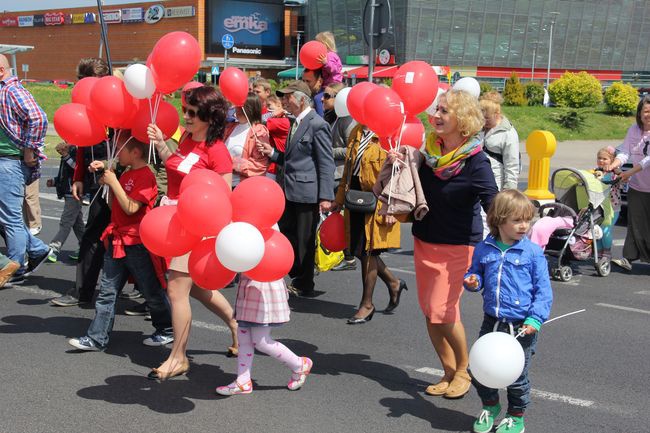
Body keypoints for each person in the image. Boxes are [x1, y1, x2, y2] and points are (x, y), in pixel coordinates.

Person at [390, 89, 497, 399]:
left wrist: (507, 231)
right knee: (429, 311)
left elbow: (492, 202)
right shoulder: (429, 153)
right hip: (425, 240)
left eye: (444, 112)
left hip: (458, 246)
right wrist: (400, 164)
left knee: (443, 310)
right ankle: (448, 371)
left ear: (462, 121)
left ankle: (464, 370)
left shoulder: (477, 162)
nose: (435, 115)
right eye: (436, 109)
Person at [146, 86, 238, 380]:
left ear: (210, 118)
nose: (185, 116)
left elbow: (223, 196)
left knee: (176, 289)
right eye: (186, 110)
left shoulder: (218, 152)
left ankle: (178, 357)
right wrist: (162, 143)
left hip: (196, 226)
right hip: (174, 221)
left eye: (192, 113)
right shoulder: (186, 139)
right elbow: (176, 166)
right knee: (196, 288)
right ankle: (237, 325)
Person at [67, 135, 173, 351]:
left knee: (151, 290)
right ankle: (97, 338)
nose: (115, 155)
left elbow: (132, 208)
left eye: (120, 150)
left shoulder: (146, 176)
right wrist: (109, 185)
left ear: (135, 153)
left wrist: (114, 182)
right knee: (107, 292)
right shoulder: (126, 174)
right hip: (118, 241)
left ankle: (167, 329)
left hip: (137, 244)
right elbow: (116, 205)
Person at [463, 189, 553, 433]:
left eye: (527, 220)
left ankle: (516, 415)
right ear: (499, 219)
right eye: (517, 220)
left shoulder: (532, 252)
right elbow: (475, 274)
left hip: (522, 325)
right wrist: (472, 281)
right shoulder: (484, 248)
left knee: (516, 375)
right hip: (491, 321)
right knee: (479, 369)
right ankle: (490, 406)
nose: (524, 226)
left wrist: (535, 319)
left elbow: (543, 291)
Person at [257, 80, 335, 297]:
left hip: (306, 193)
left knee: (305, 241)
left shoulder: (317, 124)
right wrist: (272, 153)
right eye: (283, 97)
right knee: (288, 233)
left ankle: (305, 283)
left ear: (301, 99)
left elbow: (325, 163)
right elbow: (291, 158)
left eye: (288, 97)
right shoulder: (295, 122)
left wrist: (326, 196)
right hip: (289, 189)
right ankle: (297, 275)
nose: (284, 101)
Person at [51, 57, 111, 306]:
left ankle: (152, 297)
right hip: (93, 177)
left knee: (128, 239)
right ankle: (83, 291)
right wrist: (78, 178)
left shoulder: (113, 102)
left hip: (116, 178)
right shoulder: (85, 108)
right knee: (93, 235)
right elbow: (81, 139)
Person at [332, 124, 406, 324]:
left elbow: (399, 175)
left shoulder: (389, 135)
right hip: (355, 197)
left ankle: (367, 304)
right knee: (358, 249)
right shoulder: (356, 131)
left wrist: (392, 206)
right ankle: (393, 282)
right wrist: (339, 200)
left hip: (379, 200)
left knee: (369, 251)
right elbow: (348, 170)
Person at [0, 53, 51, 286]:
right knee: (7, 216)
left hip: (9, 162)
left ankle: (15, 268)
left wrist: (30, 148)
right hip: (7, 161)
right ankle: (37, 249)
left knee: (9, 219)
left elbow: (39, 118)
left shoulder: (11, 90)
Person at [215, 276, 313, 395]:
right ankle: (243, 381)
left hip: (264, 290)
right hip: (248, 288)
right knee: (243, 337)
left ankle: (299, 364)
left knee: (261, 341)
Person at [609, 95, 650, 272]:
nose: (648, 114)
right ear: (639, 113)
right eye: (646, 111)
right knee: (635, 223)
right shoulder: (633, 130)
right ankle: (628, 258)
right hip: (637, 187)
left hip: (640, 179)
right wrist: (614, 164)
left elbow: (647, 160)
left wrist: (628, 173)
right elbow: (625, 151)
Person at [322, 83, 358, 272]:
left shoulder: (347, 119)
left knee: (341, 216)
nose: (322, 98)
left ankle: (349, 256)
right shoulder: (332, 117)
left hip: (341, 174)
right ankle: (343, 254)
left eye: (327, 96)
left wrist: (328, 150)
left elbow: (352, 149)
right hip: (333, 173)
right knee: (336, 215)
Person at [46, 142, 85, 263]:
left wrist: (66, 155)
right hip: (69, 192)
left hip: (74, 192)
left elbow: (78, 169)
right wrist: (55, 181)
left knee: (66, 222)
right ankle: (85, 247)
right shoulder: (69, 149)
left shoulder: (77, 149)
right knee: (77, 223)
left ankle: (54, 248)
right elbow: (66, 174)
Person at [222, 93, 270, 187]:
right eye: (237, 107)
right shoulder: (230, 127)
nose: (238, 110)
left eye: (242, 108)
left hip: (241, 186)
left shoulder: (259, 131)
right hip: (223, 183)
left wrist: (231, 162)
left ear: (251, 109)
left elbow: (259, 166)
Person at [479, 91, 520, 190]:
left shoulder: (508, 133)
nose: (484, 122)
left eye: (487, 118)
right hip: (477, 181)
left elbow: (512, 165)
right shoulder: (479, 128)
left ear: (497, 114)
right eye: (482, 118)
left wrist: (509, 190)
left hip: (496, 185)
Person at [593, 146, 622, 259]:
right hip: (599, 207)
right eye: (599, 158)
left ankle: (607, 252)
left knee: (605, 230)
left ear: (612, 161)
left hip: (612, 208)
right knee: (596, 231)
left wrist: (617, 171)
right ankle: (599, 252)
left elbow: (623, 180)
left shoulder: (615, 173)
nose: (601, 161)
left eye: (605, 159)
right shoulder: (595, 172)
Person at [264, 95, 290, 181]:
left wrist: (272, 114)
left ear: (279, 105)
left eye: (269, 106)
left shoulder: (281, 121)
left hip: (276, 165)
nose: (267, 109)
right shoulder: (278, 119)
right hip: (274, 162)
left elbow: (259, 120)